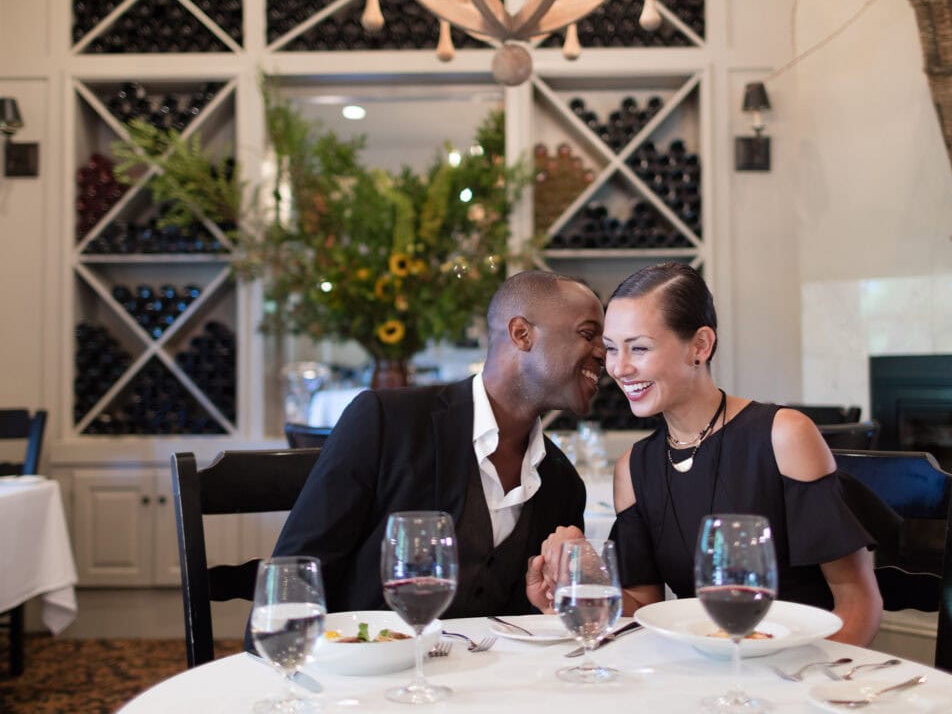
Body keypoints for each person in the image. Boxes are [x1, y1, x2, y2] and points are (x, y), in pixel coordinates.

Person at [533, 262, 882, 646]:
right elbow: (641, 605)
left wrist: (809, 687)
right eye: (612, 350)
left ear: (700, 345)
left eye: (640, 348)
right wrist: (581, 578)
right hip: (706, 677)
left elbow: (858, 601)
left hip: (800, 670)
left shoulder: (784, 436)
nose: (620, 368)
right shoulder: (633, 469)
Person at [271, 269, 606, 618]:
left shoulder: (563, 483)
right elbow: (295, 575)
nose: (604, 353)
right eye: (588, 334)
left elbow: (528, 620)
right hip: (362, 665)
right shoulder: (386, 424)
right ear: (521, 333)